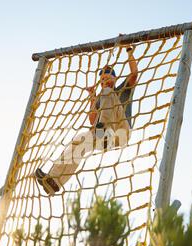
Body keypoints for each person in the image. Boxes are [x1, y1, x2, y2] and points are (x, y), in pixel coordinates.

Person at [35, 46, 138, 195]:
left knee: (107, 93)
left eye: (108, 76)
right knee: (79, 140)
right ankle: (54, 181)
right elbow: (92, 120)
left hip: (121, 131)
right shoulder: (100, 97)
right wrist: (92, 97)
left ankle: (105, 132)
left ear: (115, 78)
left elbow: (134, 73)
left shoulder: (122, 88)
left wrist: (129, 51)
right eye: (102, 78)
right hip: (103, 136)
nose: (105, 79)